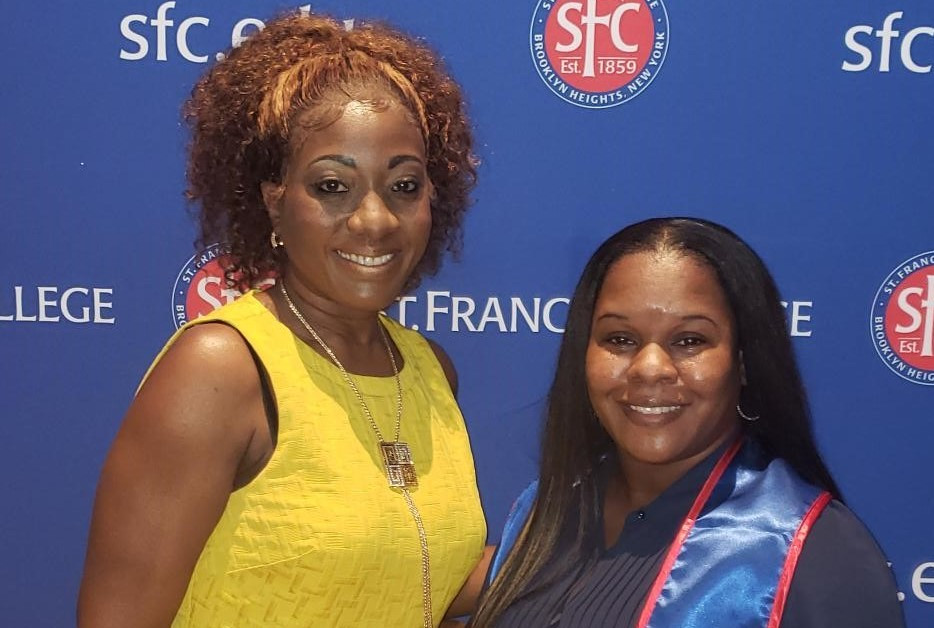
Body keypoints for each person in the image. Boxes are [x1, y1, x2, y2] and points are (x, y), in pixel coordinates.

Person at [78, 11, 489, 628]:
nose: (375, 220)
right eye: (332, 186)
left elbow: (418, 576)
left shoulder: (430, 371)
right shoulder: (221, 371)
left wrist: (596, 543)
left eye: (404, 186)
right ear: (275, 204)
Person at [470, 218, 905, 627]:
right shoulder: (546, 511)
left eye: (689, 340)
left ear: (743, 361)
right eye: (619, 339)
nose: (649, 368)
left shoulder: (811, 549)